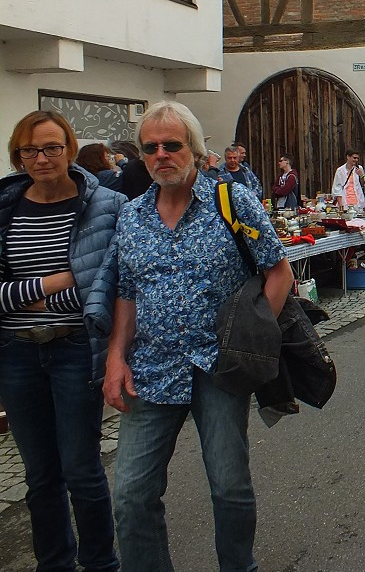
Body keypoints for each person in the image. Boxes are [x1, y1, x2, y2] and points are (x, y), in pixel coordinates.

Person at [104, 101, 291, 572]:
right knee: (130, 495)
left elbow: (279, 272)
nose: (162, 154)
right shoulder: (131, 217)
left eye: (173, 144)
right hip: (152, 368)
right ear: (142, 155)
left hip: (218, 367)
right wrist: (115, 358)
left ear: (194, 147)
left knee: (229, 487)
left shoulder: (231, 201)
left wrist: (250, 340)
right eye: (151, 147)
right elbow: (127, 292)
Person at [0, 110, 124, 572]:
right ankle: (54, 563)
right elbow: (78, 280)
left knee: (81, 469)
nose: (42, 158)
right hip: (16, 353)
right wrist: (54, 284)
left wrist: (22, 295)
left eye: (52, 147)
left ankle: (100, 563)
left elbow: (107, 283)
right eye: (30, 150)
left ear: (70, 150)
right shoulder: (5, 208)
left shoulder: (104, 206)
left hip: (75, 348)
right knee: (40, 476)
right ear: (18, 156)